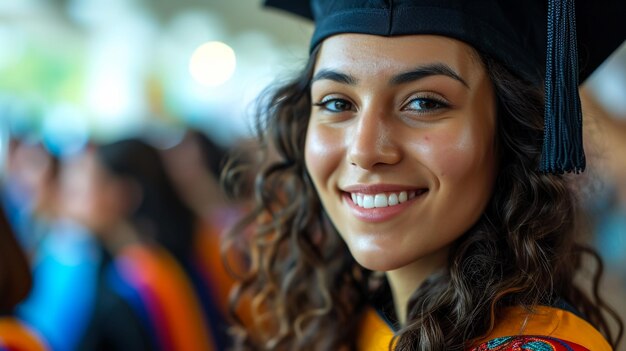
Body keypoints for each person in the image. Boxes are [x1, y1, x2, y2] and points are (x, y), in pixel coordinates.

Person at [222, 0, 626, 350]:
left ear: (512, 134)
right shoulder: (339, 325)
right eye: (336, 102)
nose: (365, 151)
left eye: (424, 103)